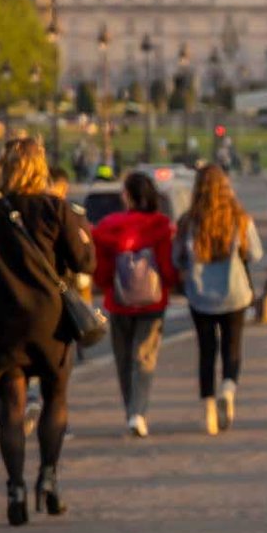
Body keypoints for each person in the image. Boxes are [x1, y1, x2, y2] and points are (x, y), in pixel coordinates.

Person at [0, 135, 92, 526]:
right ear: (41, 168)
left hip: (6, 319)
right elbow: (82, 260)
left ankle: (15, 487)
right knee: (56, 397)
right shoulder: (56, 208)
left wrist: (3, 279)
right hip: (51, 320)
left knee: (12, 407)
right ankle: (48, 479)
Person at [175, 163, 263, 437]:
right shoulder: (239, 217)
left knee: (206, 350)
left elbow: (176, 258)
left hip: (200, 296)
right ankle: (228, 387)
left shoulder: (188, 221)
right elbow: (256, 254)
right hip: (234, 293)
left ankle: (209, 410)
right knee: (232, 346)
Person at [90, 170, 178, 438]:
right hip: (153, 302)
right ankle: (138, 412)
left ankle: (131, 410)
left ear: (126, 196)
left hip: (118, 302)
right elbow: (166, 266)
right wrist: (170, 283)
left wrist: (107, 286)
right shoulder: (161, 226)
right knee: (144, 358)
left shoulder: (108, 226)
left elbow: (102, 269)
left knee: (124, 359)